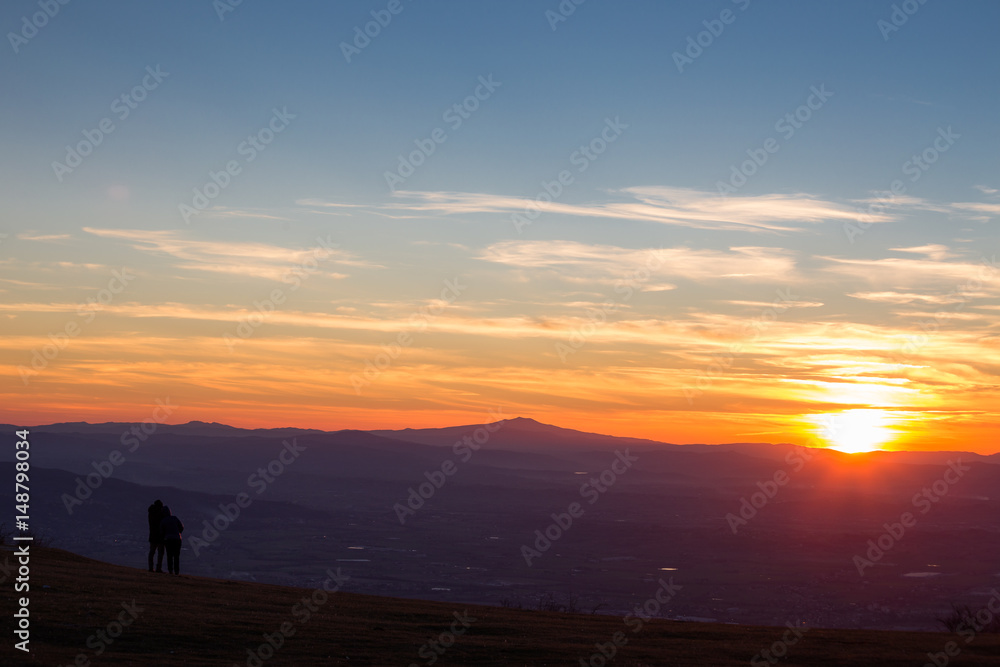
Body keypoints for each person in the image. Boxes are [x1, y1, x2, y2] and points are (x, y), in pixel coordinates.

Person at [159, 506, 184, 575]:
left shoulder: (163, 521)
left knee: (169, 555)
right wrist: (178, 533)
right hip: (177, 539)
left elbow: (161, 532)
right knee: (176, 556)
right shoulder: (174, 518)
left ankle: (170, 571)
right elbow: (181, 527)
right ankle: (177, 571)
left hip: (168, 539)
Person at [147, 500, 166, 572]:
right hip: (160, 536)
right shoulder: (160, 514)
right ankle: (158, 568)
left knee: (152, 552)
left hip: (152, 535)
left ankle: (151, 567)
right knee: (160, 552)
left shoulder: (151, 513)